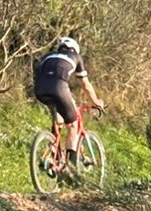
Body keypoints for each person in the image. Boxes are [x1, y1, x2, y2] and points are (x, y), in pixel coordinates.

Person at [33, 36, 103, 168]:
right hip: (59, 89)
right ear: (75, 49)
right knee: (73, 125)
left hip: (40, 89)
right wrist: (96, 102)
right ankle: (71, 167)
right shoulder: (76, 57)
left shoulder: (48, 56)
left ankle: (53, 151)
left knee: (59, 118)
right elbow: (85, 84)